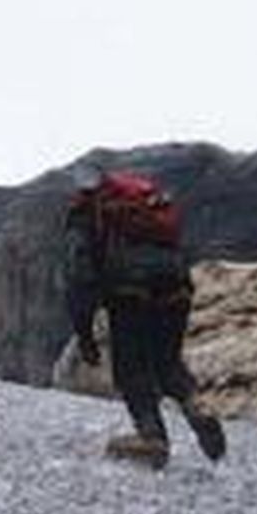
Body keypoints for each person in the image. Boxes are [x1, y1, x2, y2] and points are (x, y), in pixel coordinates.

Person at [62, 166, 226, 469]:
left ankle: (152, 439)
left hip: (129, 289)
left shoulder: (85, 214)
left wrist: (85, 335)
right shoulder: (144, 205)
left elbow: (78, 276)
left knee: (130, 367)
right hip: (176, 282)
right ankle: (197, 405)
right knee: (168, 360)